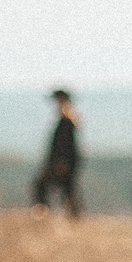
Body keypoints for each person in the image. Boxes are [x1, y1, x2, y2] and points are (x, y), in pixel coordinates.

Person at [31, 88, 82, 217]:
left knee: (43, 185)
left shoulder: (66, 121)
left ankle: (44, 212)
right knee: (68, 189)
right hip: (65, 162)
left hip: (62, 162)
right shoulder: (68, 120)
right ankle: (74, 215)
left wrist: (62, 162)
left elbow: (66, 146)